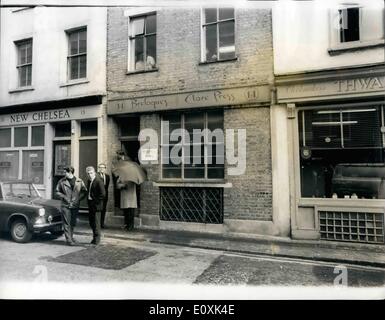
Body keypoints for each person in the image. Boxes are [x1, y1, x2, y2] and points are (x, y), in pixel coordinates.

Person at [55, 166, 87, 246]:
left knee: (73, 222)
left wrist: (78, 199)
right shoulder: (62, 181)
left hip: (75, 205)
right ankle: (69, 240)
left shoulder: (79, 181)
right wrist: (64, 197)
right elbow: (57, 191)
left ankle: (71, 237)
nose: (64, 173)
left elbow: (84, 191)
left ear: (70, 172)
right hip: (65, 205)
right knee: (66, 223)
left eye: (65, 172)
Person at [114, 151, 138, 231]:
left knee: (131, 212)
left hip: (131, 196)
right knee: (126, 212)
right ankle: (127, 225)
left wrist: (123, 185)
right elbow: (117, 185)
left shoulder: (134, 175)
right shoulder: (121, 174)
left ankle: (130, 226)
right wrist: (121, 185)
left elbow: (133, 184)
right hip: (124, 196)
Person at [86, 166, 105, 245]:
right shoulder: (89, 181)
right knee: (91, 222)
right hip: (90, 204)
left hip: (96, 205)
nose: (90, 175)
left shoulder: (98, 181)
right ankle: (94, 238)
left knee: (96, 223)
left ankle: (97, 240)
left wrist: (96, 201)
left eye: (91, 173)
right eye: (88, 173)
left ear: (94, 173)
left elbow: (103, 194)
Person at [97, 163, 110, 229]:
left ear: (105, 169)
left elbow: (106, 187)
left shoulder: (107, 176)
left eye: (103, 167)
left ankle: (102, 223)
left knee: (103, 209)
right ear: (98, 168)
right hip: (98, 196)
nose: (102, 169)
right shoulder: (96, 176)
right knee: (98, 210)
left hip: (105, 196)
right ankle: (97, 224)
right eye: (100, 167)